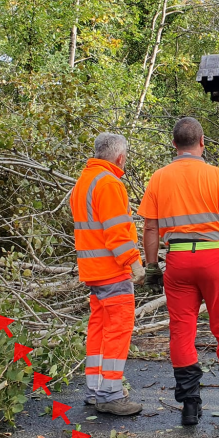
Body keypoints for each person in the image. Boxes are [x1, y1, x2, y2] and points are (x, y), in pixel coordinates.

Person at [137, 117, 219, 426]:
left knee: (182, 331)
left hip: (178, 262)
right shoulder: (216, 176)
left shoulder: (158, 179)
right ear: (202, 142)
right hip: (215, 261)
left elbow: (150, 227)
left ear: (174, 144)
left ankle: (190, 408)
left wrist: (152, 265)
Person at [70, 132, 145, 416]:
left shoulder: (84, 182)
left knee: (99, 330)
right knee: (118, 329)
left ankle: (95, 390)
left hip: (93, 271)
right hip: (113, 270)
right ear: (120, 157)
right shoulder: (109, 183)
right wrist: (134, 264)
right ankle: (111, 393)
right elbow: (117, 232)